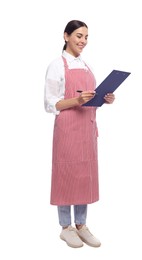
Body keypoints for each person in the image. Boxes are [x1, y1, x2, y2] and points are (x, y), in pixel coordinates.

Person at [44, 20, 115, 248]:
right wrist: (77, 100)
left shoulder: (85, 65)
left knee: (84, 176)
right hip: (67, 128)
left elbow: (89, 97)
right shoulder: (57, 65)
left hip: (86, 128)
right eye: (78, 36)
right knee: (66, 174)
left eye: (86, 37)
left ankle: (81, 225)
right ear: (66, 36)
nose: (83, 41)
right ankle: (66, 227)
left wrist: (104, 98)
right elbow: (49, 103)